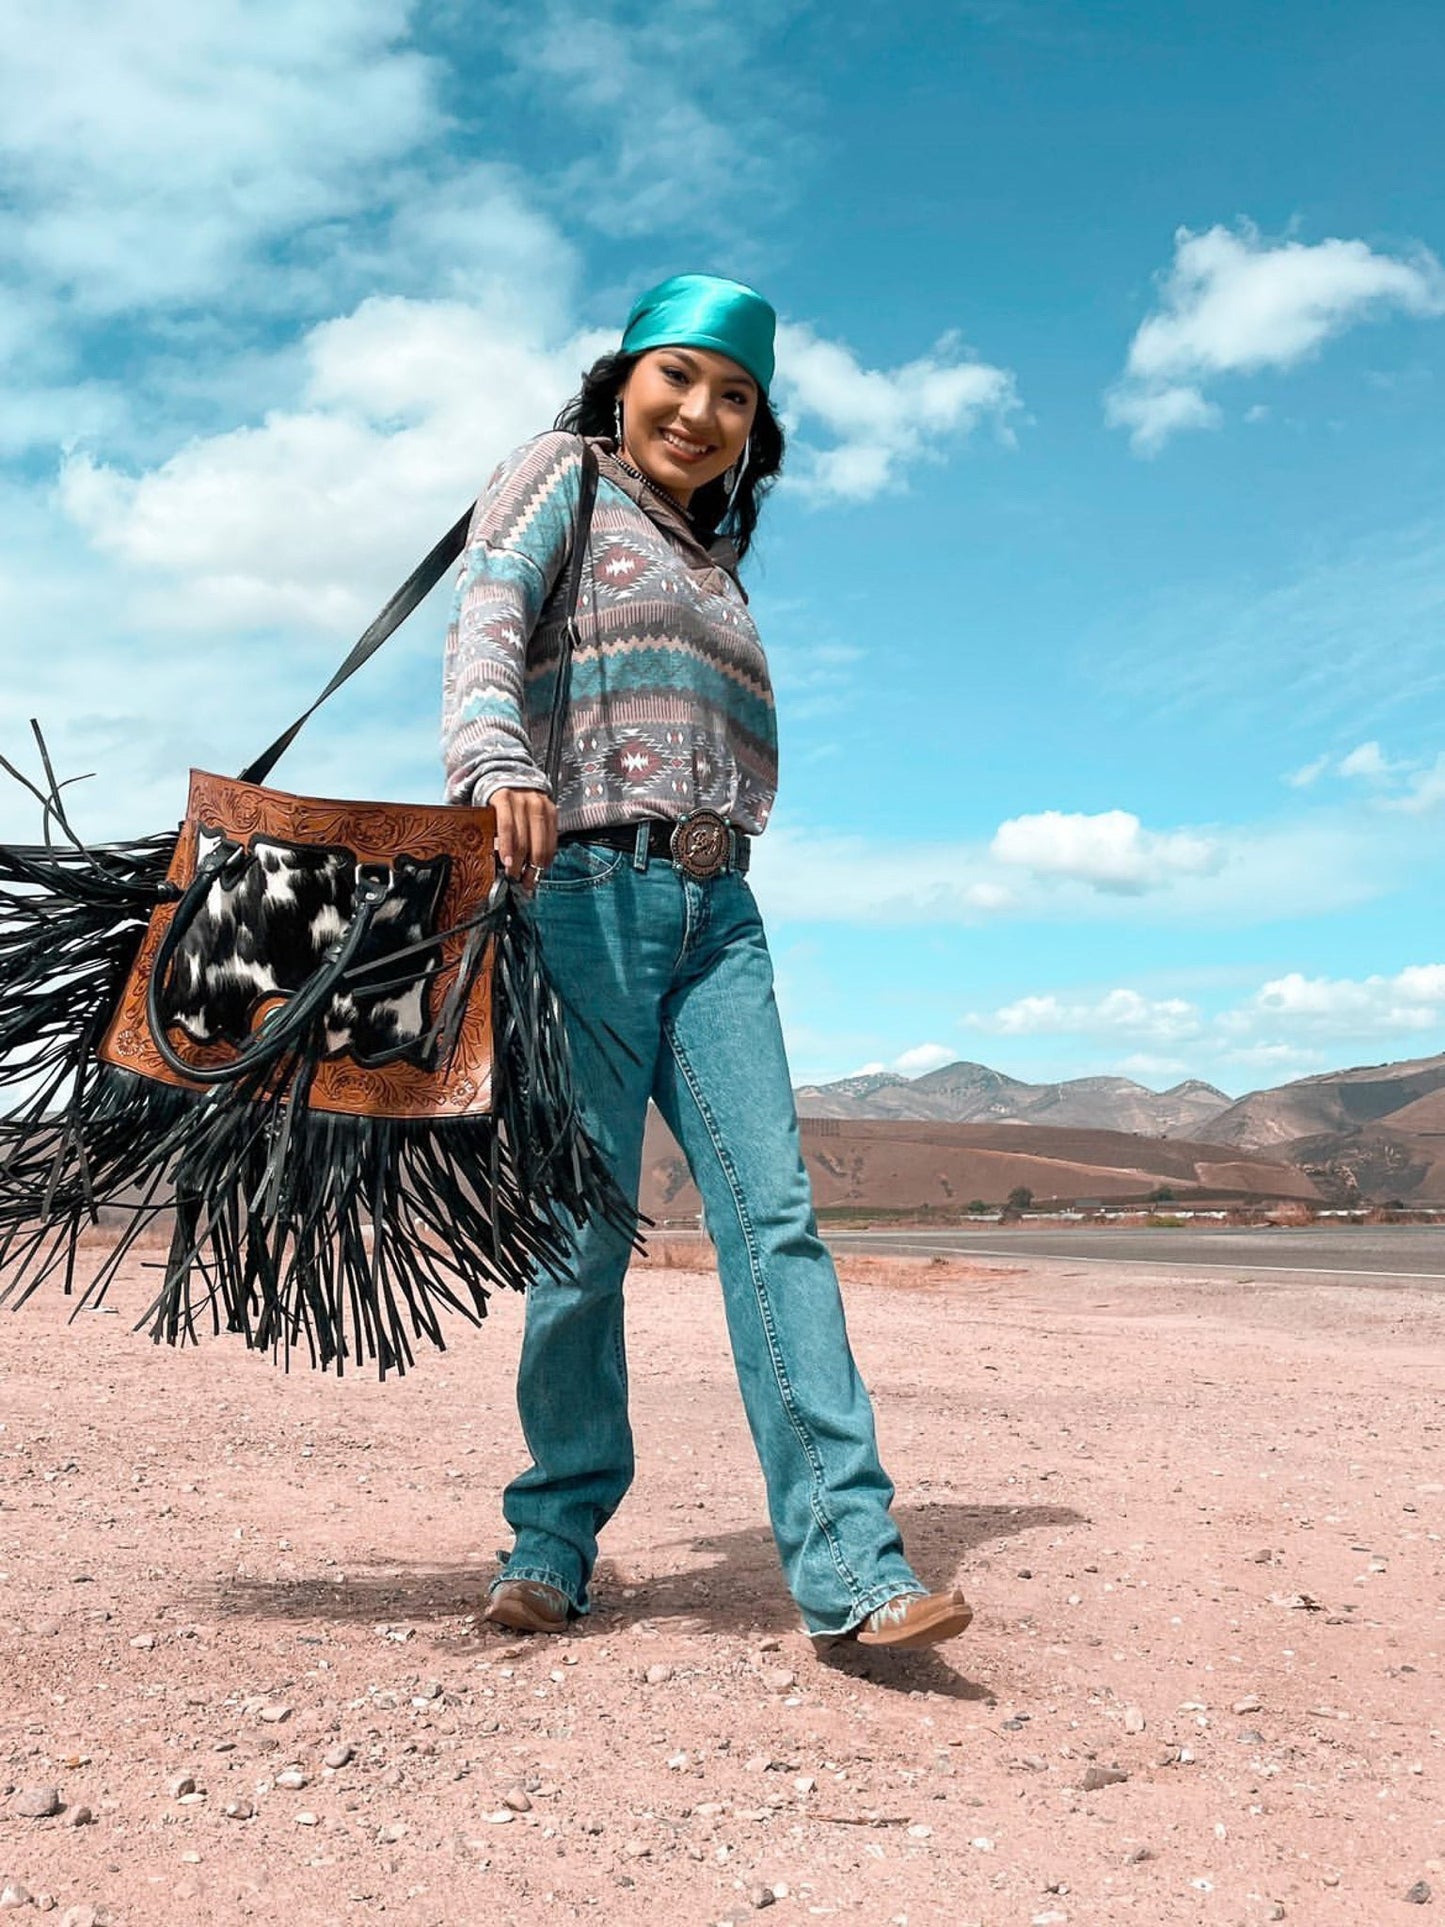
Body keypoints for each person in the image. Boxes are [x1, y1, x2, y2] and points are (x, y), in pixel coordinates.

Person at [442, 273, 971, 1651]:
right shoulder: (556, 473)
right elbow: (488, 611)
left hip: (719, 911)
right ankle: (550, 1541)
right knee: (579, 1241)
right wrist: (495, 759)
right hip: (582, 896)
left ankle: (855, 1573)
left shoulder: (715, 567)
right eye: (682, 376)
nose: (704, 410)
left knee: (773, 1221)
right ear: (623, 379)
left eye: (736, 396)